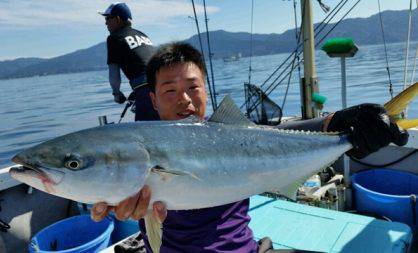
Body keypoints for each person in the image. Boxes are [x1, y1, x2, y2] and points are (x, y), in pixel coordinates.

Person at [91, 42, 408, 252]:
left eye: (192, 87)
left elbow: (277, 135)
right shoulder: (138, 152)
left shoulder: (232, 135)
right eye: (170, 90)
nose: (184, 99)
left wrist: (339, 123)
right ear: (153, 100)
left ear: (206, 90)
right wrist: (116, 210)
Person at [99, 2, 159, 121]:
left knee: (144, 133)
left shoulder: (114, 38)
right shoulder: (142, 35)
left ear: (118, 19)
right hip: (164, 85)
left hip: (145, 89)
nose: (105, 23)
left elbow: (114, 73)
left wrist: (117, 94)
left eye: (107, 18)